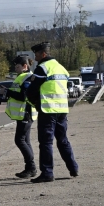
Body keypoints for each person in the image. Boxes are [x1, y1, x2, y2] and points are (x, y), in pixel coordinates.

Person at [26, 42, 78, 183]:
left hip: (48, 110)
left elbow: (31, 90)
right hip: (62, 109)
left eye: (36, 54)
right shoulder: (61, 68)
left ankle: (47, 173)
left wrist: (35, 102)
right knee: (62, 140)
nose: (35, 57)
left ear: (43, 54)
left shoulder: (42, 68)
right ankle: (73, 167)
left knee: (46, 142)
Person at [1, 55, 38, 178]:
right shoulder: (21, 77)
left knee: (19, 140)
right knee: (25, 140)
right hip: (22, 114)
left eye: (17, 66)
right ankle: (30, 168)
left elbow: (23, 96)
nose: (15, 69)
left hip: (25, 113)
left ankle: (32, 167)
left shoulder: (27, 77)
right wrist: (7, 92)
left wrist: (8, 92)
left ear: (25, 66)